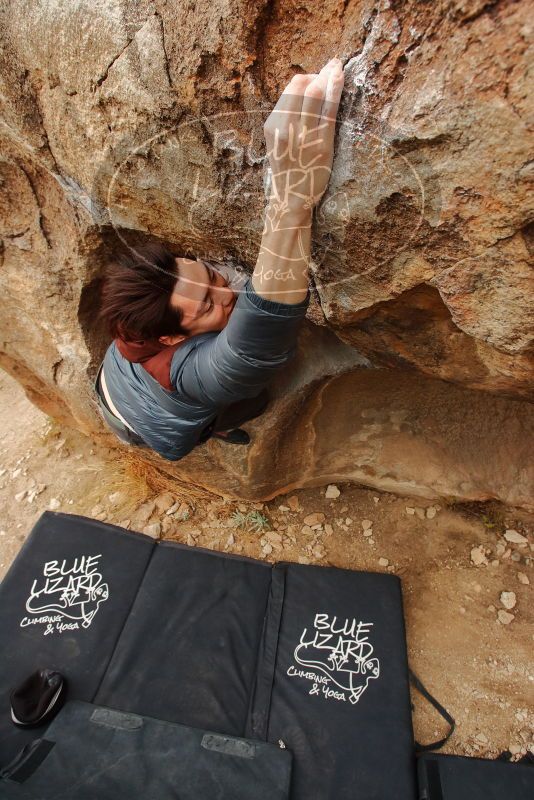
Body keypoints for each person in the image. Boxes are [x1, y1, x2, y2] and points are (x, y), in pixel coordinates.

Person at [94, 57, 345, 462]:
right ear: (173, 338)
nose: (227, 294)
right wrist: (293, 197)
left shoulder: (136, 324)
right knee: (245, 399)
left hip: (118, 380)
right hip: (155, 423)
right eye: (207, 305)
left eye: (210, 275)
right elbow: (252, 343)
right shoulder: (199, 376)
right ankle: (218, 426)